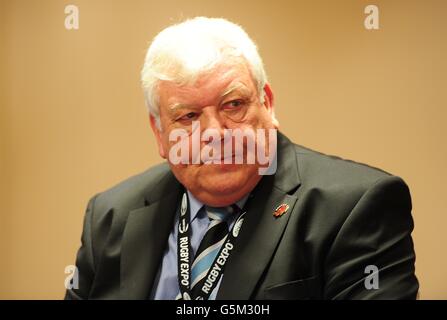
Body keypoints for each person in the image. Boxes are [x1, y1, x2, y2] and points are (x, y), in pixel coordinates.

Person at [65, 17, 418, 300]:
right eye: (188, 116)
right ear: (159, 133)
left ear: (267, 102)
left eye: (233, 105)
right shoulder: (111, 216)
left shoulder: (355, 207)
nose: (216, 133)